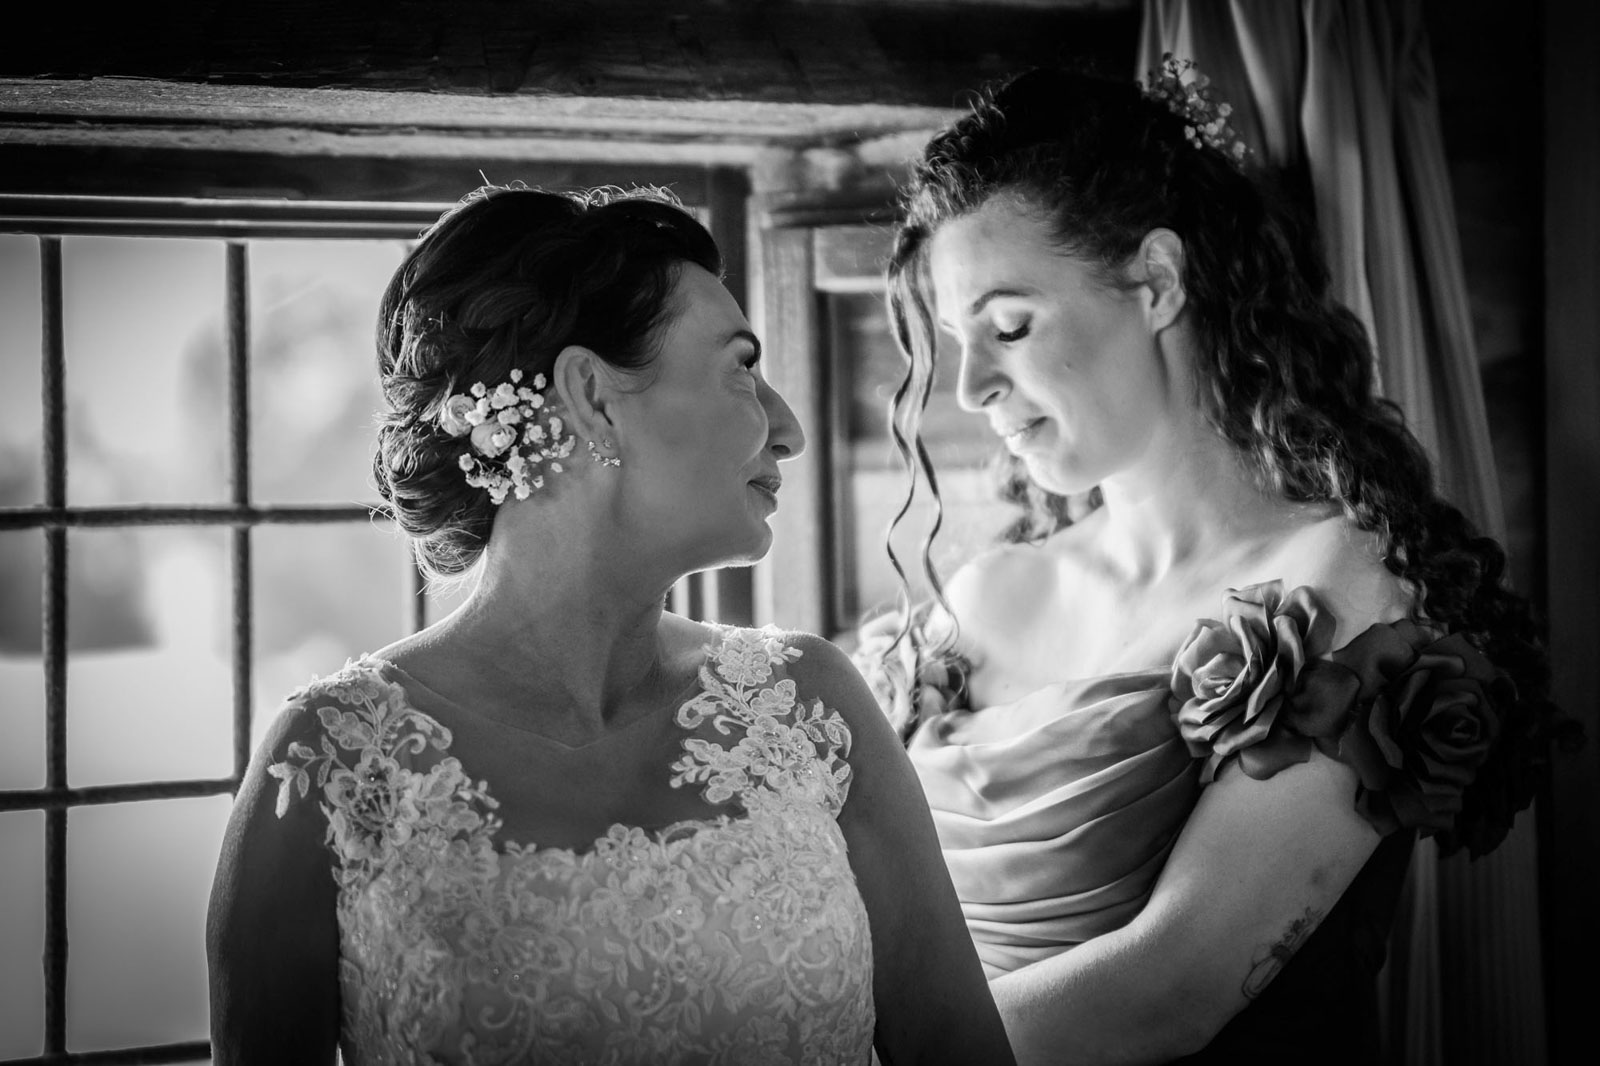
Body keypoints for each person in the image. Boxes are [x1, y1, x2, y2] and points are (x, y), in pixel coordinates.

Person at [207, 184, 1013, 1065]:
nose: (788, 429)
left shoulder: (810, 708)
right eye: (741, 367)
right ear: (592, 395)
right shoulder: (328, 763)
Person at [858, 62, 1549, 1065]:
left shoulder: (1339, 588)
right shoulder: (987, 594)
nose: (969, 387)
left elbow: (1171, 987)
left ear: (1156, 283)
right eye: (959, 341)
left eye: (1009, 327)